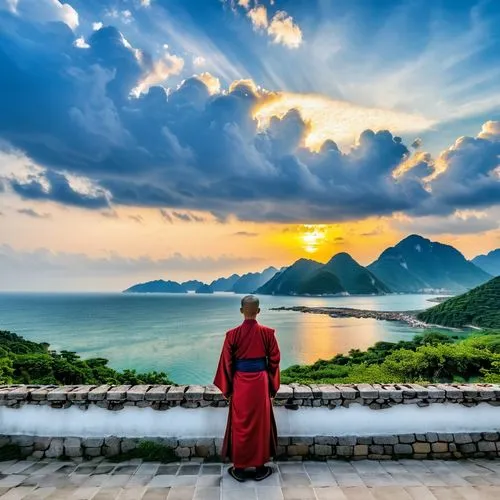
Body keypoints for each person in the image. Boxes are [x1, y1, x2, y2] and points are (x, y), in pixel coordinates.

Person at [214, 294, 281, 482]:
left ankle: (240, 469)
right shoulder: (268, 333)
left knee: (241, 425)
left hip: (240, 383)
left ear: (242, 310)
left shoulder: (232, 335)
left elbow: (226, 363)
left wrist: (227, 389)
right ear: (258, 311)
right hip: (260, 383)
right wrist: (270, 383)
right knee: (260, 425)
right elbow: (275, 359)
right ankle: (260, 468)